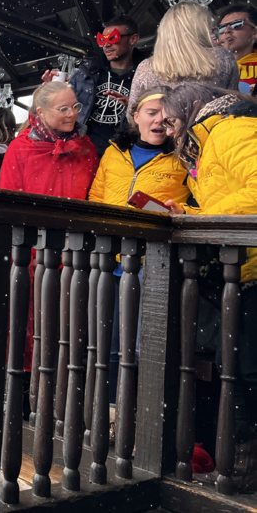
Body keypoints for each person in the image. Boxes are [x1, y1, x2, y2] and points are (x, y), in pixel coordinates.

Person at [160, 83, 257, 490]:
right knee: (234, 370)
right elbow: (231, 196)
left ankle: (242, 470)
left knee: (245, 372)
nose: (166, 130)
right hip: (241, 272)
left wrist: (201, 221)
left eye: (169, 120)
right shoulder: (205, 141)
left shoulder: (232, 130)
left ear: (190, 107)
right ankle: (238, 467)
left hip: (252, 272)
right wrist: (189, 212)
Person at [88, 86, 191, 402]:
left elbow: (201, 204)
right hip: (109, 262)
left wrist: (180, 213)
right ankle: (110, 413)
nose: (159, 120)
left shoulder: (182, 157)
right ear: (135, 117)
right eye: (151, 112)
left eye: (166, 114)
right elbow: (95, 197)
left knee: (141, 346)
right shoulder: (112, 152)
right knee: (108, 345)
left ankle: (140, 414)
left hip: (152, 264)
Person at [0, 80, 98, 377]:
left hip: (76, 254)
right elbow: (9, 201)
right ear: (40, 113)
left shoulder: (87, 148)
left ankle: (62, 389)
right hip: (31, 253)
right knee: (30, 323)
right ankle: (27, 388)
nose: (72, 114)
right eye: (64, 108)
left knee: (72, 325)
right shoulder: (20, 149)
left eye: (75, 107)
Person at [129, 2, 239, 116]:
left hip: (164, 130)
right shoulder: (223, 57)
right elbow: (232, 103)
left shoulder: (146, 67)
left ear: (165, 30)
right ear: (201, 28)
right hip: (209, 130)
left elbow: (132, 116)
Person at [67, 15, 144, 156]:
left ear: (133, 39)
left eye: (113, 38)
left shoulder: (146, 77)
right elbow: (62, 106)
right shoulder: (87, 72)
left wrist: (133, 105)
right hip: (83, 153)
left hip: (125, 155)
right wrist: (50, 91)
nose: (106, 45)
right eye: (102, 40)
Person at [215, 4, 257, 94]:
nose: (227, 31)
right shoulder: (212, 68)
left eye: (236, 25)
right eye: (222, 29)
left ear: (254, 32)